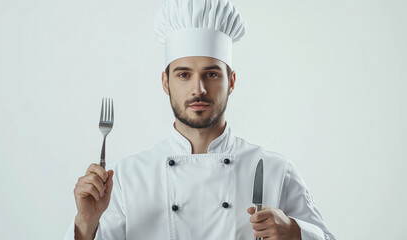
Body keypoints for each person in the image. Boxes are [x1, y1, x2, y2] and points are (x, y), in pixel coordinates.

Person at [64, 0, 336, 239]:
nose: (199, 89)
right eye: (184, 75)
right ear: (165, 82)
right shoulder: (125, 177)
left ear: (231, 81)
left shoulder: (275, 171)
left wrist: (296, 233)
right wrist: (85, 224)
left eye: (212, 74)